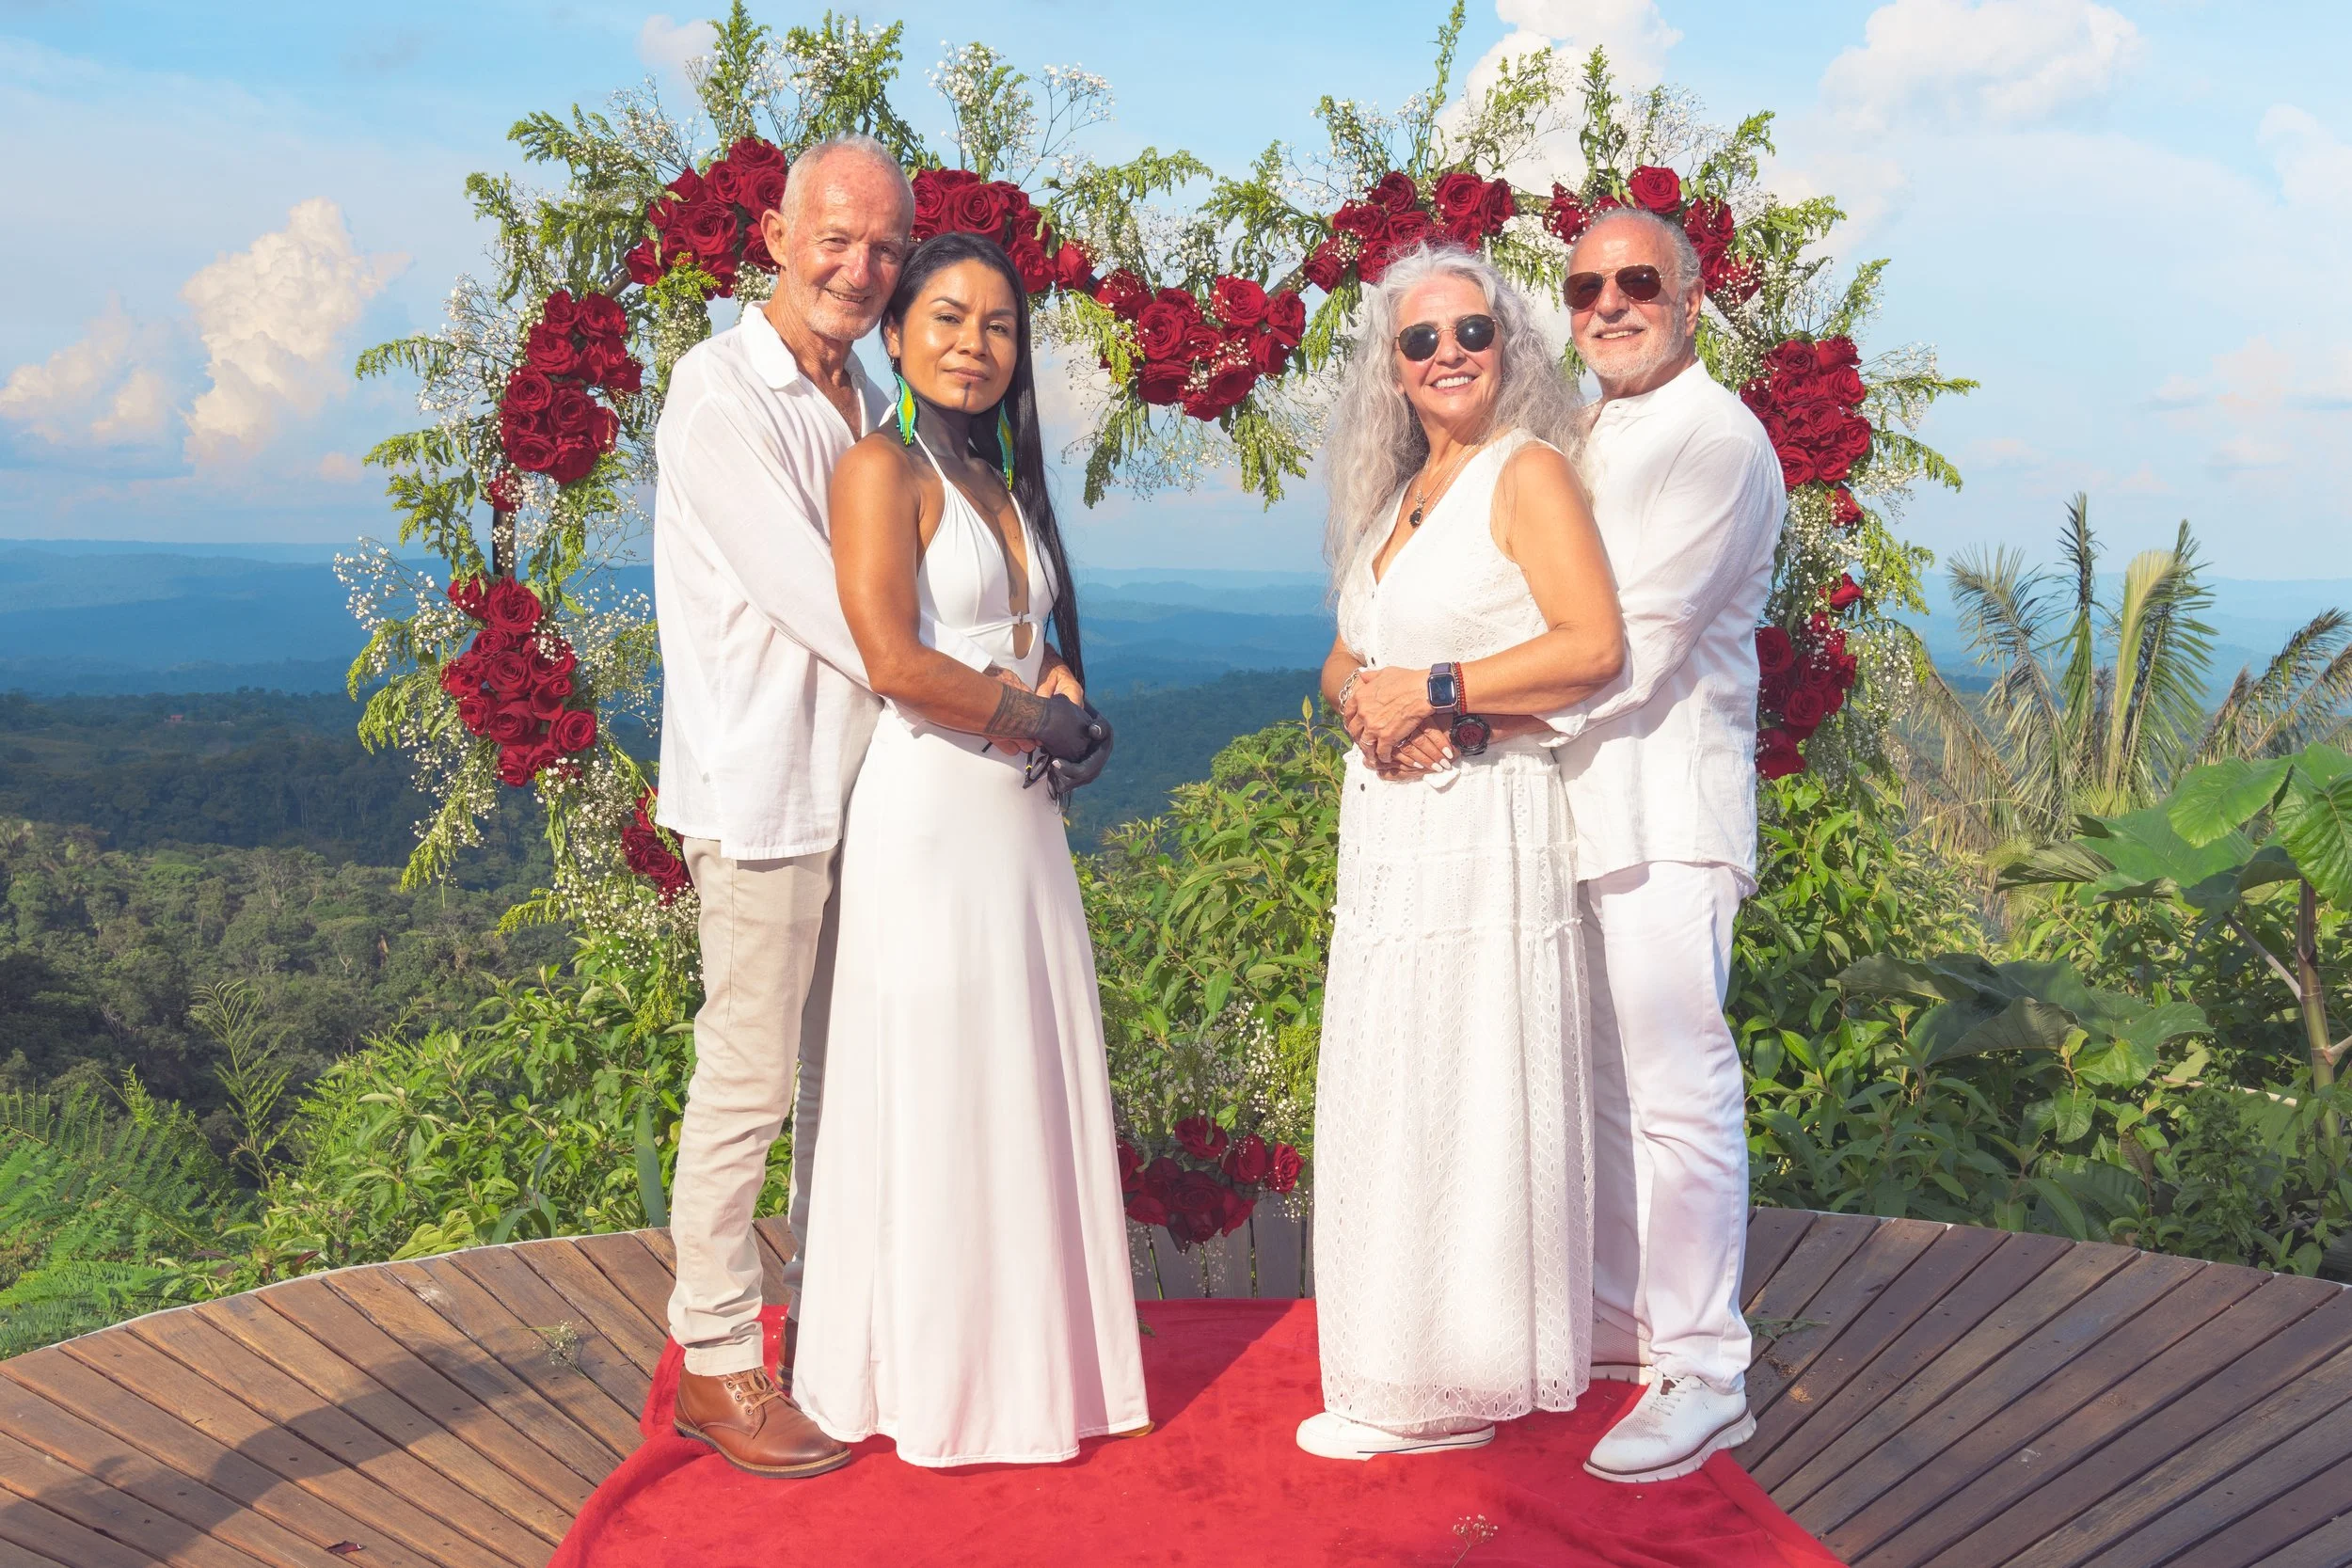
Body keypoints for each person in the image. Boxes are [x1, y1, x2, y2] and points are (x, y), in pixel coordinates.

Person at [788, 230, 1146, 1468]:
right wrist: (1036, 716)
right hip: (934, 813)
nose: (972, 344)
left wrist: (1063, 694)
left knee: (1014, 1078)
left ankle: (1023, 1366)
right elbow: (894, 659)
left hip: (1017, 818)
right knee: (937, 1085)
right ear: (893, 334)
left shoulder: (995, 477)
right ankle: (930, 1379)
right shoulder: (876, 471)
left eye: (998, 325)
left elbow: (1016, 630)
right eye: (945, 317)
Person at [1299, 245, 1624, 1462]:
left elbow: (1593, 645)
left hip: (1486, 825)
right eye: (1421, 339)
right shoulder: (1398, 499)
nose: (1448, 356)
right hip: (1394, 830)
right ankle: (1403, 1357)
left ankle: (1456, 1374)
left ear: (1509, 347)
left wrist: (1439, 690)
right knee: (1401, 1079)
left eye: (1471, 333)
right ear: (1392, 366)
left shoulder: (1524, 475)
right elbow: (1344, 654)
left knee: (1471, 1077)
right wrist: (1376, 703)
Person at [654, 133, 913, 1480]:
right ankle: (714, 1361)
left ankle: (828, 1328)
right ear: (775, 237)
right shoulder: (719, 396)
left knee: (839, 1082)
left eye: (882, 248)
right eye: (837, 238)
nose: (859, 268)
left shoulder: (864, 391)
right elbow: (827, 603)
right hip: (762, 793)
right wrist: (981, 693)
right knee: (747, 1082)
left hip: (862, 786)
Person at [1548, 207, 1787, 1484]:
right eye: (1587, 286)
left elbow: (1627, 650)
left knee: (1680, 1087)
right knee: (1601, 1083)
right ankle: (1617, 1320)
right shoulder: (1590, 427)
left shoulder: (1716, 441)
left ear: (1691, 297)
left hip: (1668, 812)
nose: (1611, 303)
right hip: (1581, 806)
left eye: (1638, 280)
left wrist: (1456, 700)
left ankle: (1703, 1364)